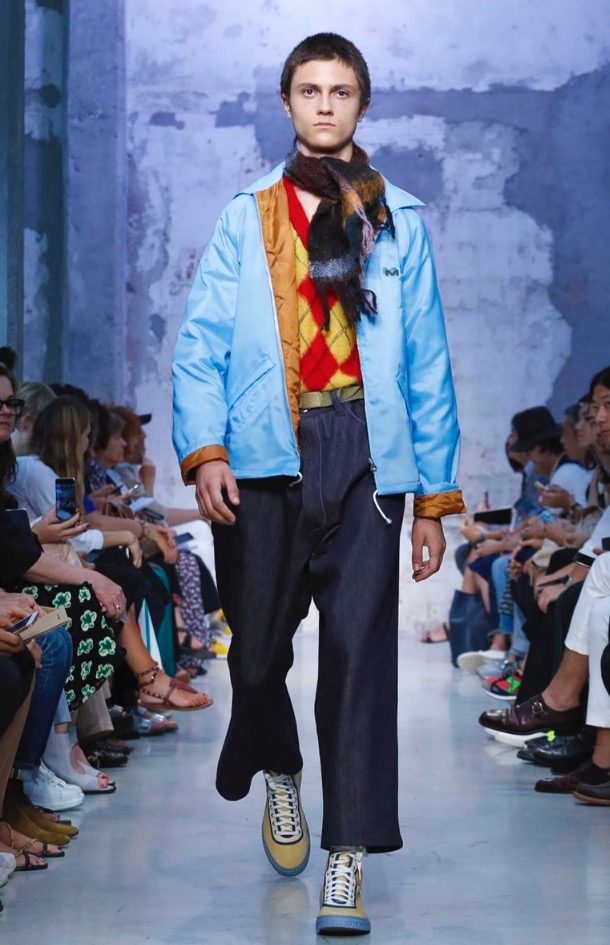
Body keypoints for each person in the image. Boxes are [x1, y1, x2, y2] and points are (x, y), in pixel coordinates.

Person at [173, 33, 464, 936]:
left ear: (362, 105)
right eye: (310, 90)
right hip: (265, 454)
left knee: (358, 661)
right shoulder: (247, 214)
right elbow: (200, 344)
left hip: (369, 454)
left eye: (341, 91)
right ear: (288, 102)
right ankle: (282, 768)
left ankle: (348, 856)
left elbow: (427, 361)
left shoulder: (399, 218)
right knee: (255, 655)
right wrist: (205, 450)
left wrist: (435, 498)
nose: (326, 104)